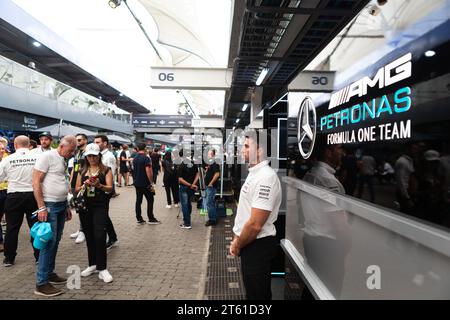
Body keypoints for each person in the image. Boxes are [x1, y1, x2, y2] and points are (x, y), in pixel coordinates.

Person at [230, 134, 281, 300]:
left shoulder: (265, 177)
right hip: (250, 242)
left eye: (246, 146)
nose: (241, 150)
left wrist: (238, 244)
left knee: (258, 296)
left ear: (259, 150)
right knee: (253, 292)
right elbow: (245, 213)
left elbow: (255, 225)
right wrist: (237, 236)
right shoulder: (255, 173)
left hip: (257, 245)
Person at [32, 135, 76, 297]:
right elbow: (36, 181)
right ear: (62, 146)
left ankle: (49, 273)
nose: (72, 154)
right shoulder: (47, 156)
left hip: (60, 205)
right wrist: (41, 207)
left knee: (55, 241)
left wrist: (66, 205)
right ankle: (41, 283)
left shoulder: (62, 158)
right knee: (48, 243)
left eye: (74, 151)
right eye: (70, 151)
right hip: (49, 206)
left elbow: (61, 179)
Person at [75, 143, 114, 283]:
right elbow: (76, 189)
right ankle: (92, 264)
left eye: (94, 155)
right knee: (89, 235)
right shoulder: (82, 170)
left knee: (100, 235)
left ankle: (102, 268)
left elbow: (110, 189)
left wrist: (99, 185)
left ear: (99, 156)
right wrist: (84, 185)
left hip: (100, 206)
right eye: (89, 156)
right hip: (85, 207)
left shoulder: (106, 170)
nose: (91, 158)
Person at [0, 136, 40, 266]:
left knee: (12, 228)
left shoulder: (7, 159)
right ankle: (39, 256)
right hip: (33, 196)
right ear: (29, 145)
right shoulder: (37, 158)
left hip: (14, 197)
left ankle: (9, 258)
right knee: (35, 227)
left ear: (15, 145)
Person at [94, 135, 119, 249]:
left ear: (105, 143)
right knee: (103, 215)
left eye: (98, 142)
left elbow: (110, 174)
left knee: (103, 215)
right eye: (95, 142)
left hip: (104, 189)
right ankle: (112, 237)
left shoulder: (108, 156)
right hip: (97, 188)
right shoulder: (97, 155)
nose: (96, 144)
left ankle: (111, 238)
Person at [132, 143, 161, 225]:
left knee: (138, 201)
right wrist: (151, 182)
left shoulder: (135, 158)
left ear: (137, 148)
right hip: (146, 183)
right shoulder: (146, 158)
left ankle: (139, 219)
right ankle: (151, 218)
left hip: (137, 183)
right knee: (150, 200)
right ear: (145, 148)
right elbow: (148, 171)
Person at [69, 133, 88, 244]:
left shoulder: (88, 152)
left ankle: (83, 230)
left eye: (80, 140)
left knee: (82, 206)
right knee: (78, 207)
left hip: (83, 183)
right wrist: (70, 182)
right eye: (76, 140)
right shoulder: (77, 153)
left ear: (85, 140)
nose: (78, 142)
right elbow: (74, 169)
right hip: (75, 182)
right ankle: (81, 229)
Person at [178, 151, 199, 230]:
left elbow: (180, 179)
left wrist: (190, 185)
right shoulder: (193, 163)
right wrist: (193, 184)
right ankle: (188, 219)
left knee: (185, 205)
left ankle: (187, 223)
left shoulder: (181, 165)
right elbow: (198, 174)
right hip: (191, 188)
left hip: (184, 187)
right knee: (188, 203)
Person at [204, 149, 220, 226]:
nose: (207, 155)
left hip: (211, 187)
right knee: (210, 203)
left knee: (209, 203)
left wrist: (210, 183)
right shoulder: (210, 163)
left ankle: (212, 220)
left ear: (213, 155)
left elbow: (217, 174)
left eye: (209, 154)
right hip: (208, 186)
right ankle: (213, 217)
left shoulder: (214, 162)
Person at [0, 143, 8, 253]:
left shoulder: (7, 159)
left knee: (10, 218)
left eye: (2, 148)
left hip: (7, 192)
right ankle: (1, 242)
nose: (2, 150)